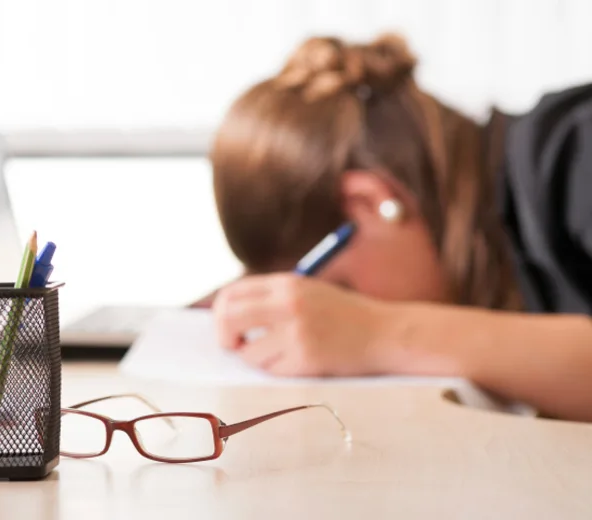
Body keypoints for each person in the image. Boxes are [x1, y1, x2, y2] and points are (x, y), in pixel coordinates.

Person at [204, 34, 592, 422]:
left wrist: (379, 332)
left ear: (372, 203)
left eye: (343, 292)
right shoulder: (499, 259)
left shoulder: (578, 148)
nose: (338, 314)